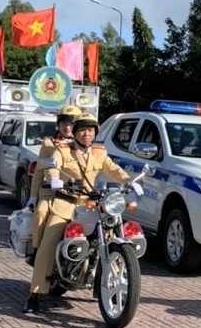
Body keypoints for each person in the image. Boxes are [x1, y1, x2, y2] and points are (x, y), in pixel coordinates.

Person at [23, 114, 131, 313]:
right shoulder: (62, 149)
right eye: (82, 130)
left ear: (96, 133)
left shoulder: (99, 152)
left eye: (91, 130)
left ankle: (115, 286)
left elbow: (112, 169)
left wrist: (129, 181)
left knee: (110, 235)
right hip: (65, 203)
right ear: (75, 132)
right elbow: (52, 165)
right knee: (48, 242)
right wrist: (54, 178)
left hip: (89, 204)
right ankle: (35, 294)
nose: (87, 134)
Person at [24, 104, 82, 266]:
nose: (67, 127)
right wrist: (33, 197)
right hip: (51, 192)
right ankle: (36, 251)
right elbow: (39, 171)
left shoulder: (86, 144)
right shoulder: (49, 143)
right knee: (41, 212)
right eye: (64, 123)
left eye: (71, 123)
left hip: (79, 193)